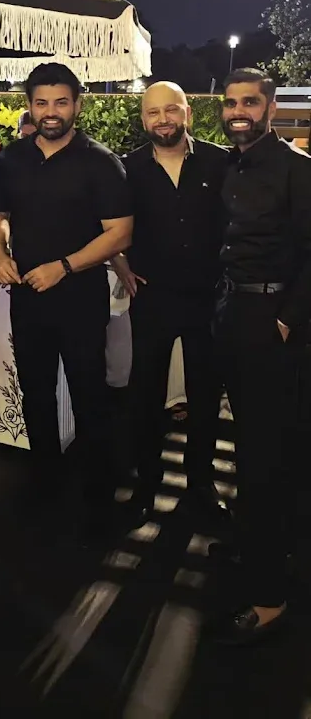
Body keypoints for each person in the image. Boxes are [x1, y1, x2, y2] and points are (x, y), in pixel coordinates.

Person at [0, 63, 133, 543]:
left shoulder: (101, 162)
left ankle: (97, 493)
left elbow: (120, 233)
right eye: (42, 102)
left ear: (77, 105)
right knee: (35, 391)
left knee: (90, 395)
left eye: (61, 102)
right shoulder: (13, 158)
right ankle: (44, 478)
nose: (51, 112)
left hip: (80, 300)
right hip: (28, 298)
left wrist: (65, 267)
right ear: (30, 106)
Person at [211, 67, 311, 644]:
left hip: (272, 322)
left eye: (249, 102)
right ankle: (252, 545)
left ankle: (270, 595)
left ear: (271, 108)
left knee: (269, 454)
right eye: (230, 103)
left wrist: (286, 318)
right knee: (248, 443)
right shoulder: (231, 165)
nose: (238, 112)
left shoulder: (298, 170)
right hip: (232, 314)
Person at [115, 82, 229, 528]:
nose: (163, 119)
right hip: (152, 297)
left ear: (188, 114)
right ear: (143, 119)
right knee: (146, 395)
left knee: (205, 394)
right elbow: (107, 225)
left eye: (171, 110)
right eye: (153, 112)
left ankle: (200, 483)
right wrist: (120, 262)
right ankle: (146, 484)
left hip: (208, 297)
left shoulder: (221, 162)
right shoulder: (126, 169)